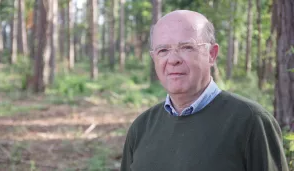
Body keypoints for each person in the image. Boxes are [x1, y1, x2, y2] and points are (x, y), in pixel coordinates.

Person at [120, 10, 288, 171]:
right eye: (163, 50)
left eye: (186, 47)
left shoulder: (251, 122)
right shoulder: (141, 128)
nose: (173, 60)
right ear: (154, 58)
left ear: (211, 54)